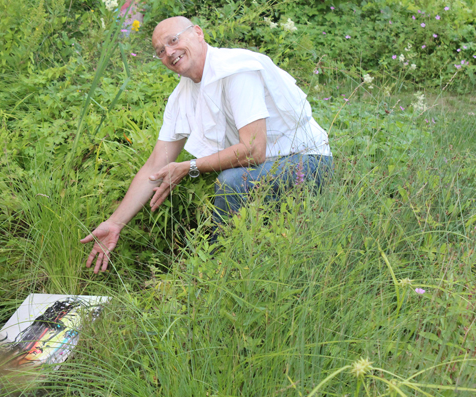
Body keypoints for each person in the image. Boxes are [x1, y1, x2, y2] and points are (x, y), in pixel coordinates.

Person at [81, 16, 333, 273]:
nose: (169, 52)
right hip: (262, 172)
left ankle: (214, 273)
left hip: (307, 162)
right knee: (234, 180)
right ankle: (230, 268)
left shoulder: (234, 69)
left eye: (173, 40)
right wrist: (115, 223)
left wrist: (190, 166)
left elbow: (253, 150)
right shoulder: (181, 97)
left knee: (232, 182)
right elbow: (156, 166)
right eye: (160, 51)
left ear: (198, 33)